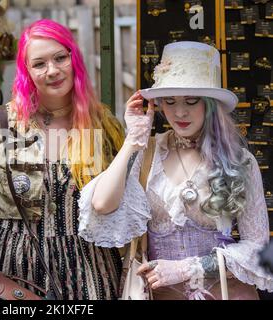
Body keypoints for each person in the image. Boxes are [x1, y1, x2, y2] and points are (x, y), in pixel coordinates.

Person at [79, 41, 273, 299]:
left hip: (227, 294)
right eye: (169, 101)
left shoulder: (241, 161)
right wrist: (133, 140)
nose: (180, 112)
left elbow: (258, 248)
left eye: (191, 101)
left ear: (211, 103)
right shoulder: (148, 152)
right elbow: (102, 204)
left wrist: (187, 268)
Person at [0, 19, 124, 300]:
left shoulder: (102, 123)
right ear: (26, 71)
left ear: (73, 58)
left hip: (90, 271)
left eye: (60, 58)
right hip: (16, 270)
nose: (52, 71)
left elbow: (122, 198)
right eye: (39, 64)